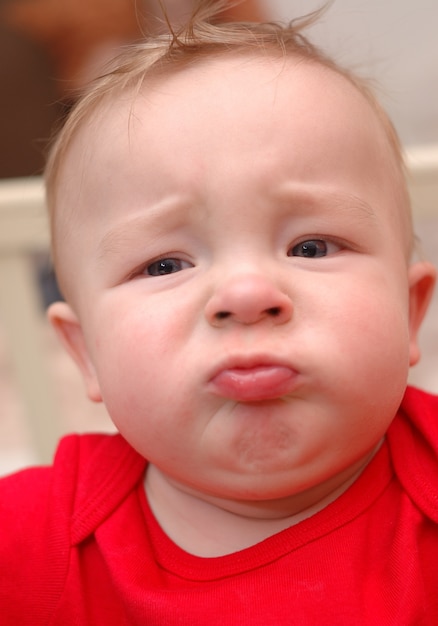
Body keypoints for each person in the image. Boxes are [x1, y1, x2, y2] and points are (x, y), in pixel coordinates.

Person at [1, 1, 437, 623]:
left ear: (410, 310)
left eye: (310, 247)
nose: (246, 293)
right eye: (165, 266)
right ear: (85, 353)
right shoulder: (33, 544)